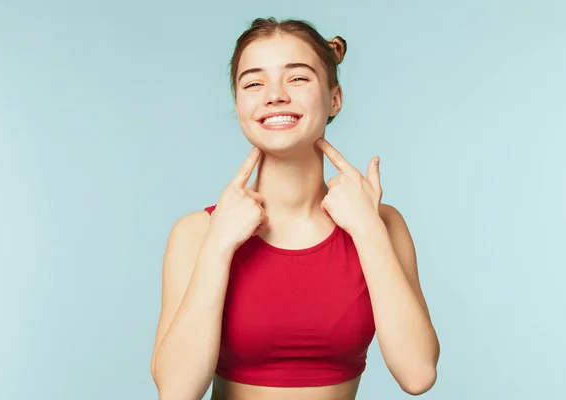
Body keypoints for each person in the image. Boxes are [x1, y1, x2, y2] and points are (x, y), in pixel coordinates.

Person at [151, 17, 440, 400]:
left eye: (298, 78)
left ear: (334, 98)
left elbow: (417, 374)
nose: (274, 95)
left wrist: (367, 231)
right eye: (254, 83)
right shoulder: (196, 232)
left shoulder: (381, 224)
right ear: (239, 104)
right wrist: (219, 245)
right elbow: (176, 391)